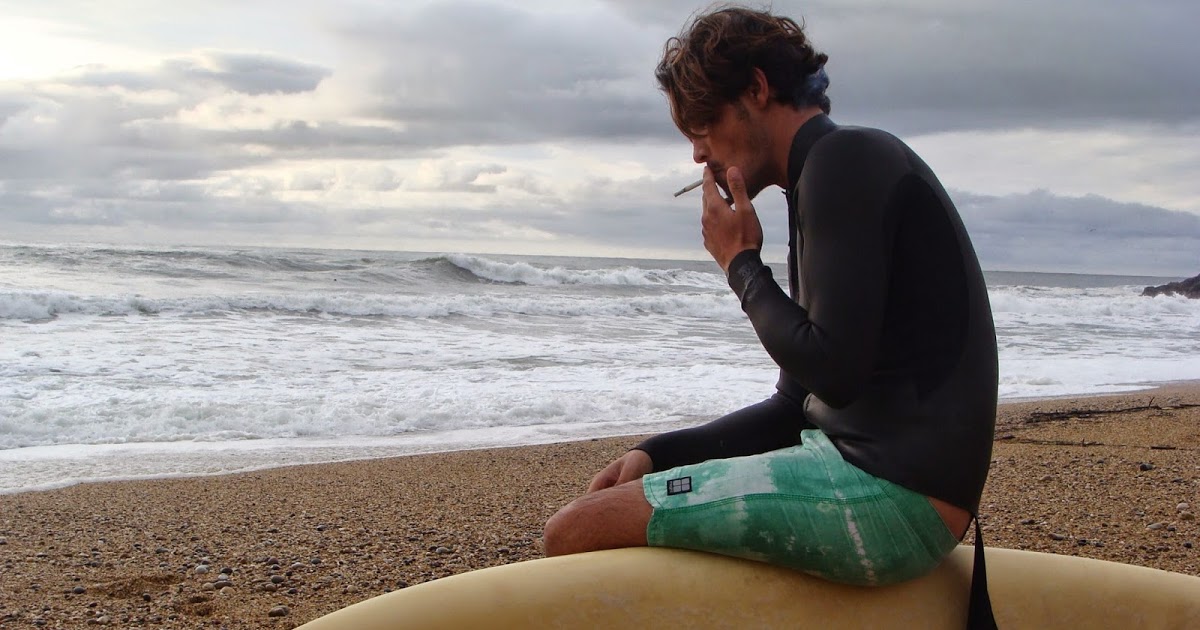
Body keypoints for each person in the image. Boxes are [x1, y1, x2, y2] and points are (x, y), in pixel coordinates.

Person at [543, 4, 998, 614]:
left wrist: (740, 263)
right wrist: (658, 451)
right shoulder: (823, 183)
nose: (698, 155)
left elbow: (835, 370)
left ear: (756, 90)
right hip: (878, 481)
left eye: (701, 125)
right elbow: (796, 403)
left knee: (575, 530)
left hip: (891, 497)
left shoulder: (845, 161)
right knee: (609, 509)